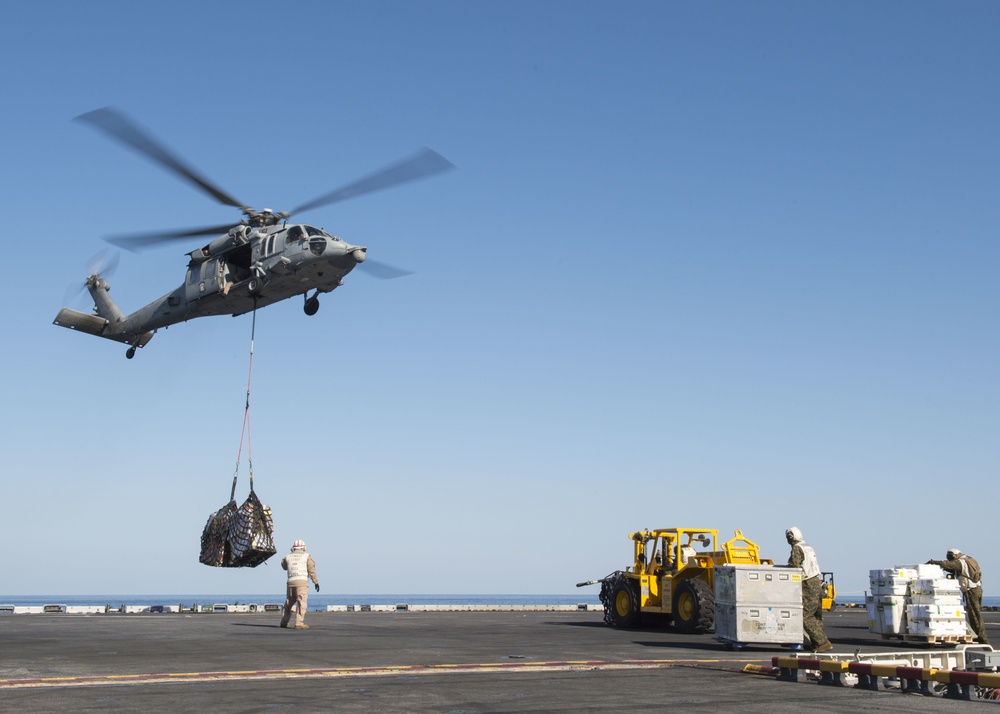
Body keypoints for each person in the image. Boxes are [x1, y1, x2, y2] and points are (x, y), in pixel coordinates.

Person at [927, 548, 989, 644]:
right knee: (975, 613)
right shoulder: (969, 559)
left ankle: (982, 638)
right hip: (977, 589)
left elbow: (945, 564)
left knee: (974, 615)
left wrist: (932, 562)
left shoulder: (960, 562)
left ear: (955, 555)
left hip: (971, 590)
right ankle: (978, 635)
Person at [786, 526, 832, 652]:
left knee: (805, 615)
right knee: (816, 615)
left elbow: (794, 566)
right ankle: (817, 642)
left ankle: (822, 642)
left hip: (807, 583)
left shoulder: (797, 548)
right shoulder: (808, 546)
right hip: (817, 581)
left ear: (791, 537)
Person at [280, 539, 320, 630]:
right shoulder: (307, 557)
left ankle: (284, 622)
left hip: (290, 583)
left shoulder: (287, 557)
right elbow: (311, 570)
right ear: (304, 548)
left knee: (288, 603)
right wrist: (316, 582)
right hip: (302, 583)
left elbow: (284, 566)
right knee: (302, 603)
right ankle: (299, 623)